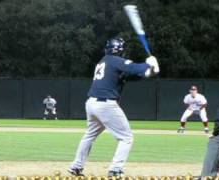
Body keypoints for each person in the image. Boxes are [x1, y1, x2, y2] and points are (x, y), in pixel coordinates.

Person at [68, 37, 160, 177]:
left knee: (89, 135)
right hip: (106, 105)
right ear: (120, 51)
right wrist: (148, 63)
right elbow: (134, 67)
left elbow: (135, 74)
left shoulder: (104, 62)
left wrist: (151, 70)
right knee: (126, 137)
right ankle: (116, 169)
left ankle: (76, 166)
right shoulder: (115, 61)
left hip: (91, 103)